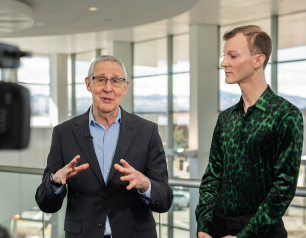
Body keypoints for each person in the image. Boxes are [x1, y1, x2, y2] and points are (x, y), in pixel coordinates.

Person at [35, 55, 173, 238]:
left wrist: (145, 184)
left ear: (125, 87)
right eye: (101, 80)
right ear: (88, 84)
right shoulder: (64, 133)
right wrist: (54, 182)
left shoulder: (147, 131)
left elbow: (165, 200)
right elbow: (46, 204)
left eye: (116, 81)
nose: (108, 88)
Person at [196, 25, 304, 238]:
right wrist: (204, 227)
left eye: (232, 56)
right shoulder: (225, 118)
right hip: (215, 231)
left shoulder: (286, 115)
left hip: (262, 233)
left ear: (258, 60)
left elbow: (284, 187)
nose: (223, 63)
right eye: (224, 55)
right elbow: (212, 177)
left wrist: (244, 236)